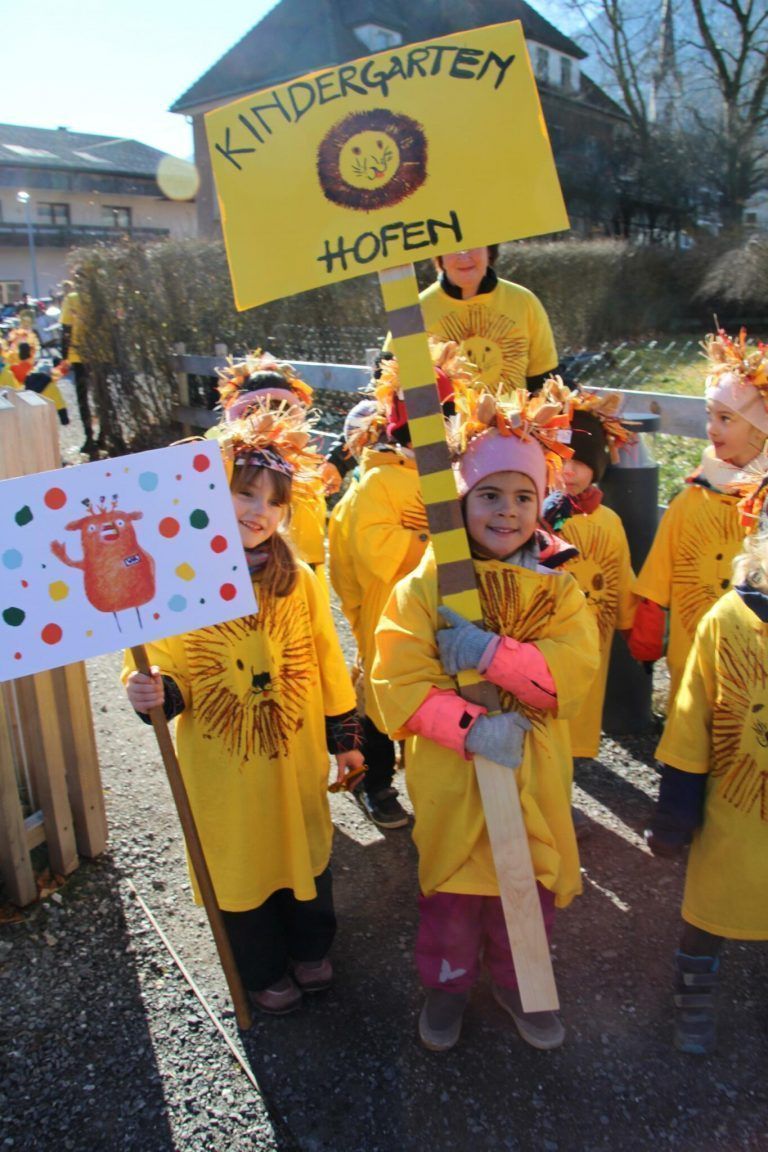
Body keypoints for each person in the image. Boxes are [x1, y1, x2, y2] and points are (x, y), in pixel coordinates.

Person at [372, 383, 599, 1052]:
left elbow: (572, 673)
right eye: (490, 495)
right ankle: (447, 987)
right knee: (454, 895)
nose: (507, 511)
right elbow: (396, 683)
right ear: (460, 501)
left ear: (542, 503)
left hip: (531, 767)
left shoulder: (558, 587)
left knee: (523, 889)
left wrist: (491, 655)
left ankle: (521, 985)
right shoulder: (422, 587)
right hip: (455, 774)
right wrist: (472, 731)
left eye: (524, 497)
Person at [123, 400, 364, 1015]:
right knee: (239, 864)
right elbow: (164, 664)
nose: (260, 511)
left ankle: (310, 947)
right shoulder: (176, 581)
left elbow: (327, 658)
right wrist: (153, 692)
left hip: (293, 758)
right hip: (224, 771)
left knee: (303, 850)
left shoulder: (298, 579)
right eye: (245, 493)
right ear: (210, 492)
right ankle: (259, 968)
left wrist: (344, 737)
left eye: (274, 501)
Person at [645, 474, 768, 1055]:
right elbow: (690, 721)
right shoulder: (728, 620)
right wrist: (675, 815)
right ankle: (693, 996)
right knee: (712, 913)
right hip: (733, 821)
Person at [346, 348, 457, 830]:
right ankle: (376, 783)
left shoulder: (452, 478)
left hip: (437, 609)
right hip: (388, 609)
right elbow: (375, 548)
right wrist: (435, 544)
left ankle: (430, 781)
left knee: (430, 689)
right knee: (382, 693)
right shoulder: (380, 482)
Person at [629, 327, 768, 707]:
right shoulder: (690, 500)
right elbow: (659, 574)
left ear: (760, 429)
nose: (712, 428)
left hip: (752, 670)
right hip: (688, 662)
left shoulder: (764, 507)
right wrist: (648, 633)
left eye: (726, 418)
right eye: (710, 416)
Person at [542, 389, 636, 778]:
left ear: (596, 468)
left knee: (581, 704)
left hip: (592, 634)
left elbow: (620, 573)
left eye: (580, 463)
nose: (569, 472)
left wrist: (631, 622)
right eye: (561, 459)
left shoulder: (609, 521)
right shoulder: (537, 516)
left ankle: (566, 772)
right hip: (547, 634)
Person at [214, 350, 330, 592]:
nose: (276, 421)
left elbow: (310, 534)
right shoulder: (224, 465)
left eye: (284, 411)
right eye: (261, 410)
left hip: (291, 575)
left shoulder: (304, 473)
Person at [416, 245, 558, 392]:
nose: (464, 256)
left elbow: (543, 380)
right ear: (440, 257)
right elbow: (403, 386)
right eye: (453, 247)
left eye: (472, 245)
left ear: (489, 251)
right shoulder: (417, 311)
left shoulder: (524, 301)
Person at [60, 278, 96, 455]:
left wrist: (64, 356)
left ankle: (89, 437)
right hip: (101, 354)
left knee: (83, 399)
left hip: (79, 354)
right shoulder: (100, 297)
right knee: (102, 397)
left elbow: (66, 329)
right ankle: (106, 433)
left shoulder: (72, 298)